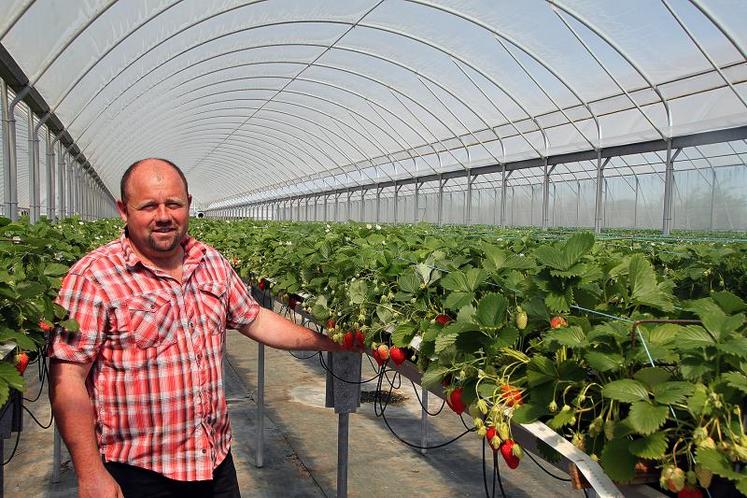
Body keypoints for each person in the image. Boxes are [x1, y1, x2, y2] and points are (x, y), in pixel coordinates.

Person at [48, 158, 346, 498]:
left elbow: (256, 318)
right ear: (123, 210)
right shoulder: (93, 276)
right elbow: (68, 376)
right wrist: (89, 473)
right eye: (148, 206)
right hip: (138, 474)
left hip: (214, 463)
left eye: (173, 204)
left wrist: (333, 341)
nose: (163, 216)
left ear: (188, 204)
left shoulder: (210, 262)